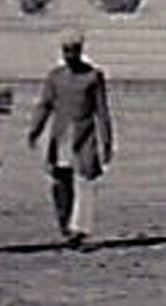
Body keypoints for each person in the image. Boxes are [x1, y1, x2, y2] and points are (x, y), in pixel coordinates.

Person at [27, 29, 114, 248]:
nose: (70, 55)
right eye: (66, 50)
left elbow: (102, 111)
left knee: (86, 182)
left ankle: (81, 230)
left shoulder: (94, 76)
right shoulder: (55, 77)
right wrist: (35, 130)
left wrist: (106, 141)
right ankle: (66, 224)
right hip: (61, 136)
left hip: (85, 136)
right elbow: (45, 105)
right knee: (60, 183)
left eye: (73, 50)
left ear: (81, 50)